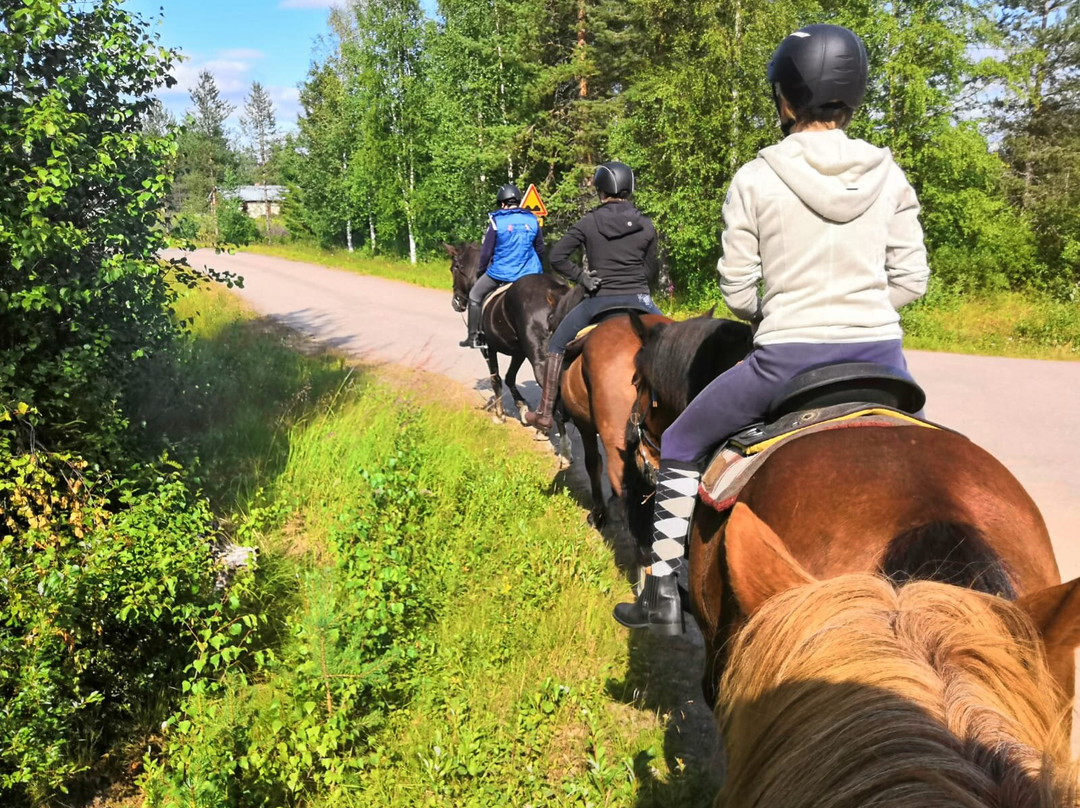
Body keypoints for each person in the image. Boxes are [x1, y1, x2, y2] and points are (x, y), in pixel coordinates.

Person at [613, 24, 931, 634]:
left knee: (678, 442)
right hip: (885, 362)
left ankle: (660, 594)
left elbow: (736, 294)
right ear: (854, 95)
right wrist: (859, 305)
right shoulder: (890, 176)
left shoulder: (755, 179)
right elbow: (910, 281)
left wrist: (789, 310)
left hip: (784, 360)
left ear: (784, 98)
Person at [524, 161, 663, 431]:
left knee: (556, 345)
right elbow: (651, 272)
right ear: (629, 189)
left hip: (599, 300)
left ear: (601, 190)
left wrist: (582, 277)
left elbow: (557, 257)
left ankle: (544, 413)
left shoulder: (588, 223)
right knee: (671, 344)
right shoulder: (647, 225)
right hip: (642, 302)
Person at [460, 183, 545, 348]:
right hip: (530, 273)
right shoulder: (532, 219)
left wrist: (481, 271)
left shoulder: (497, 221)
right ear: (518, 202)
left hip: (502, 272)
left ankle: (473, 337)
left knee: (475, 295)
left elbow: (485, 253)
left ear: (502, 203)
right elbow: (540, 249)